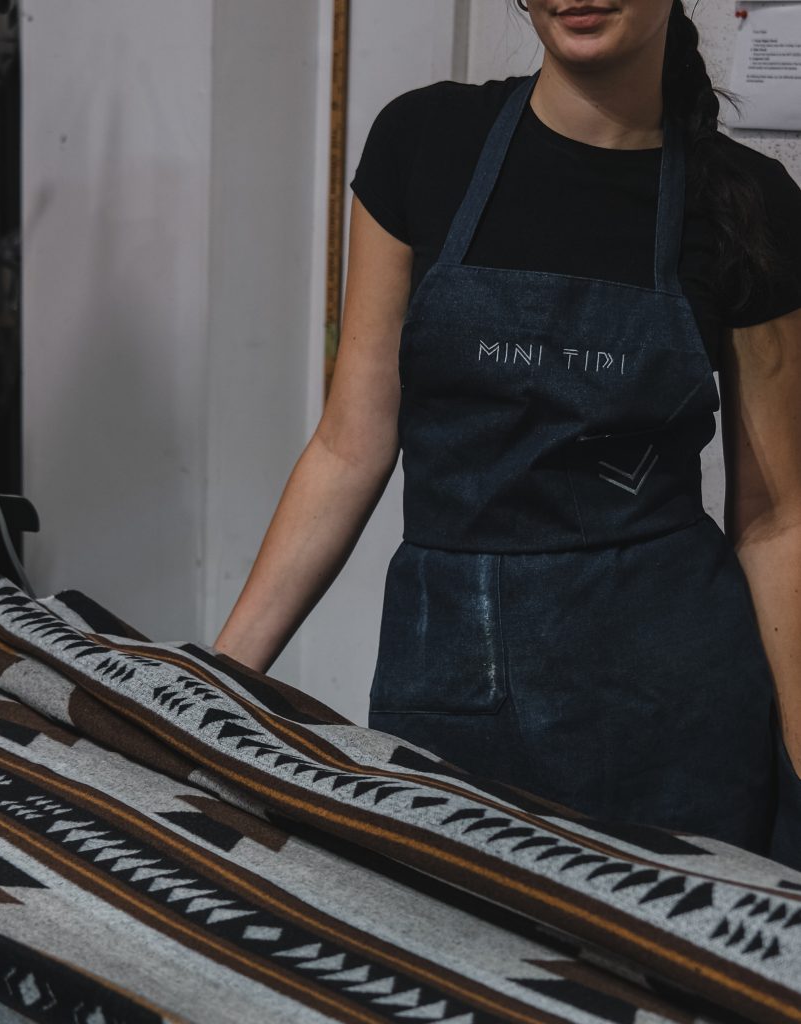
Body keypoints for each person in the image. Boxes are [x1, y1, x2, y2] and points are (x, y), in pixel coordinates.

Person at [215, 1, 801, 868]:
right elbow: (350, 441)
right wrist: (215, 685)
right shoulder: (424, 142)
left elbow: (777, 517)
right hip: (447, 686)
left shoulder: (748, 201)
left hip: (673, 713)